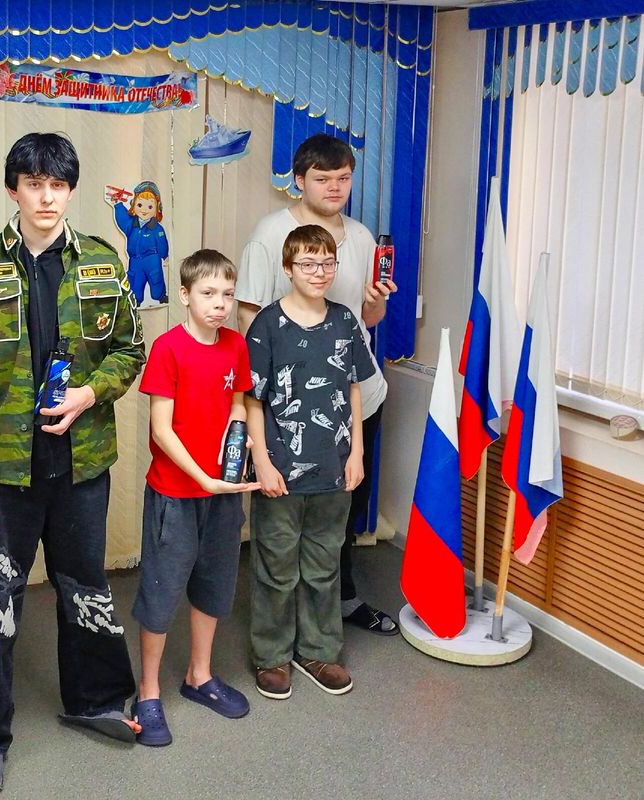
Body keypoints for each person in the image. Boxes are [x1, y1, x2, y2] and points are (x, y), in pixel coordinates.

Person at [0, 132, 145, 797]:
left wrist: (91, 392)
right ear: (13, 190)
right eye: (34, 184)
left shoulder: (101, 260)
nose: (46, 197)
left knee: (86, 584)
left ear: (71, 190)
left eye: (57, 185)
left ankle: (97, 699)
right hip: (3, 474)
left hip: (81, 464)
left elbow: (131, 350)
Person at [235, 133, 400, 636]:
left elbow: (367, 319)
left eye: (343, 178)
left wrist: (377, 301)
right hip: (290, 403)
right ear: (299, 180)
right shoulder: (271, 234)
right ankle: (281, 624)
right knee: (283, 517)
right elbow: (249, 315)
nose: (335, 187)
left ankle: (340, 602)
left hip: (356, 395)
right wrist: (266, 397)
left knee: (343, 508)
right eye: (323, 178)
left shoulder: (363, 237)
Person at [131, 249, 260, 747]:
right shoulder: (168, 348)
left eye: (227, 294)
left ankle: (199, 676)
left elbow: (237, 403)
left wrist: (237, 441)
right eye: (208, 293)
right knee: (161, 592)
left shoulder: (235, 345)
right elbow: (161, 430)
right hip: (176, 494)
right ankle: (148, 691)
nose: (220, 304)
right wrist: (202, 478)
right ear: (185, 295)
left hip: (223, 494)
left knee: (214, 584)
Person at [245, 225, 375, 700]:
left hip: (335, 467)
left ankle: (319, 651)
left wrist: (357, 452)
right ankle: (273, 655)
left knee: (323, 565)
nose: (319, 272)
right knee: (277, 566)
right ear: (288, 268)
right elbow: (252, 399)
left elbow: (353, 388)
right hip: (280, 467)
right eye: (307, 263)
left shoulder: (344, 321)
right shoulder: (266, 326)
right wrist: (261, 461)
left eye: (327, 263)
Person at [109, 180, 169, 306]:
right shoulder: (132, 224)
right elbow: (123, 219)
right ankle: (136, 301)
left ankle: (161, 296)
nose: (144, 210)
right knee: (135, 281)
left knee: (156, 279)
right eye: (140, 205)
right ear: (133, 205)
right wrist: (118, 205)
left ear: (157, 208)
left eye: (150, 207)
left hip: (152, 259)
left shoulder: (157, 228)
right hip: (135, 260)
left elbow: (162, 243)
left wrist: (165, 256)